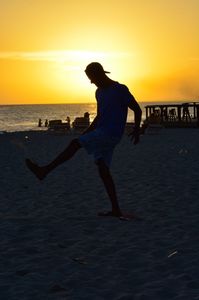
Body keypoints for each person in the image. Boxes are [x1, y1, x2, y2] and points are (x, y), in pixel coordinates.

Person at [26, 62, 142, 218]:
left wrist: (137, 130)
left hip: (110, 133)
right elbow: (100, 116)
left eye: (92, 78)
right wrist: (86, 132)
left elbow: (137, 109)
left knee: (75, 144)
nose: (91, 82)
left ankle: (44, 171)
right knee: (103, 169)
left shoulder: (120, 89)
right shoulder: (99, 92)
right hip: (103, 132)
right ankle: (116, 210)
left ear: (100, 74)